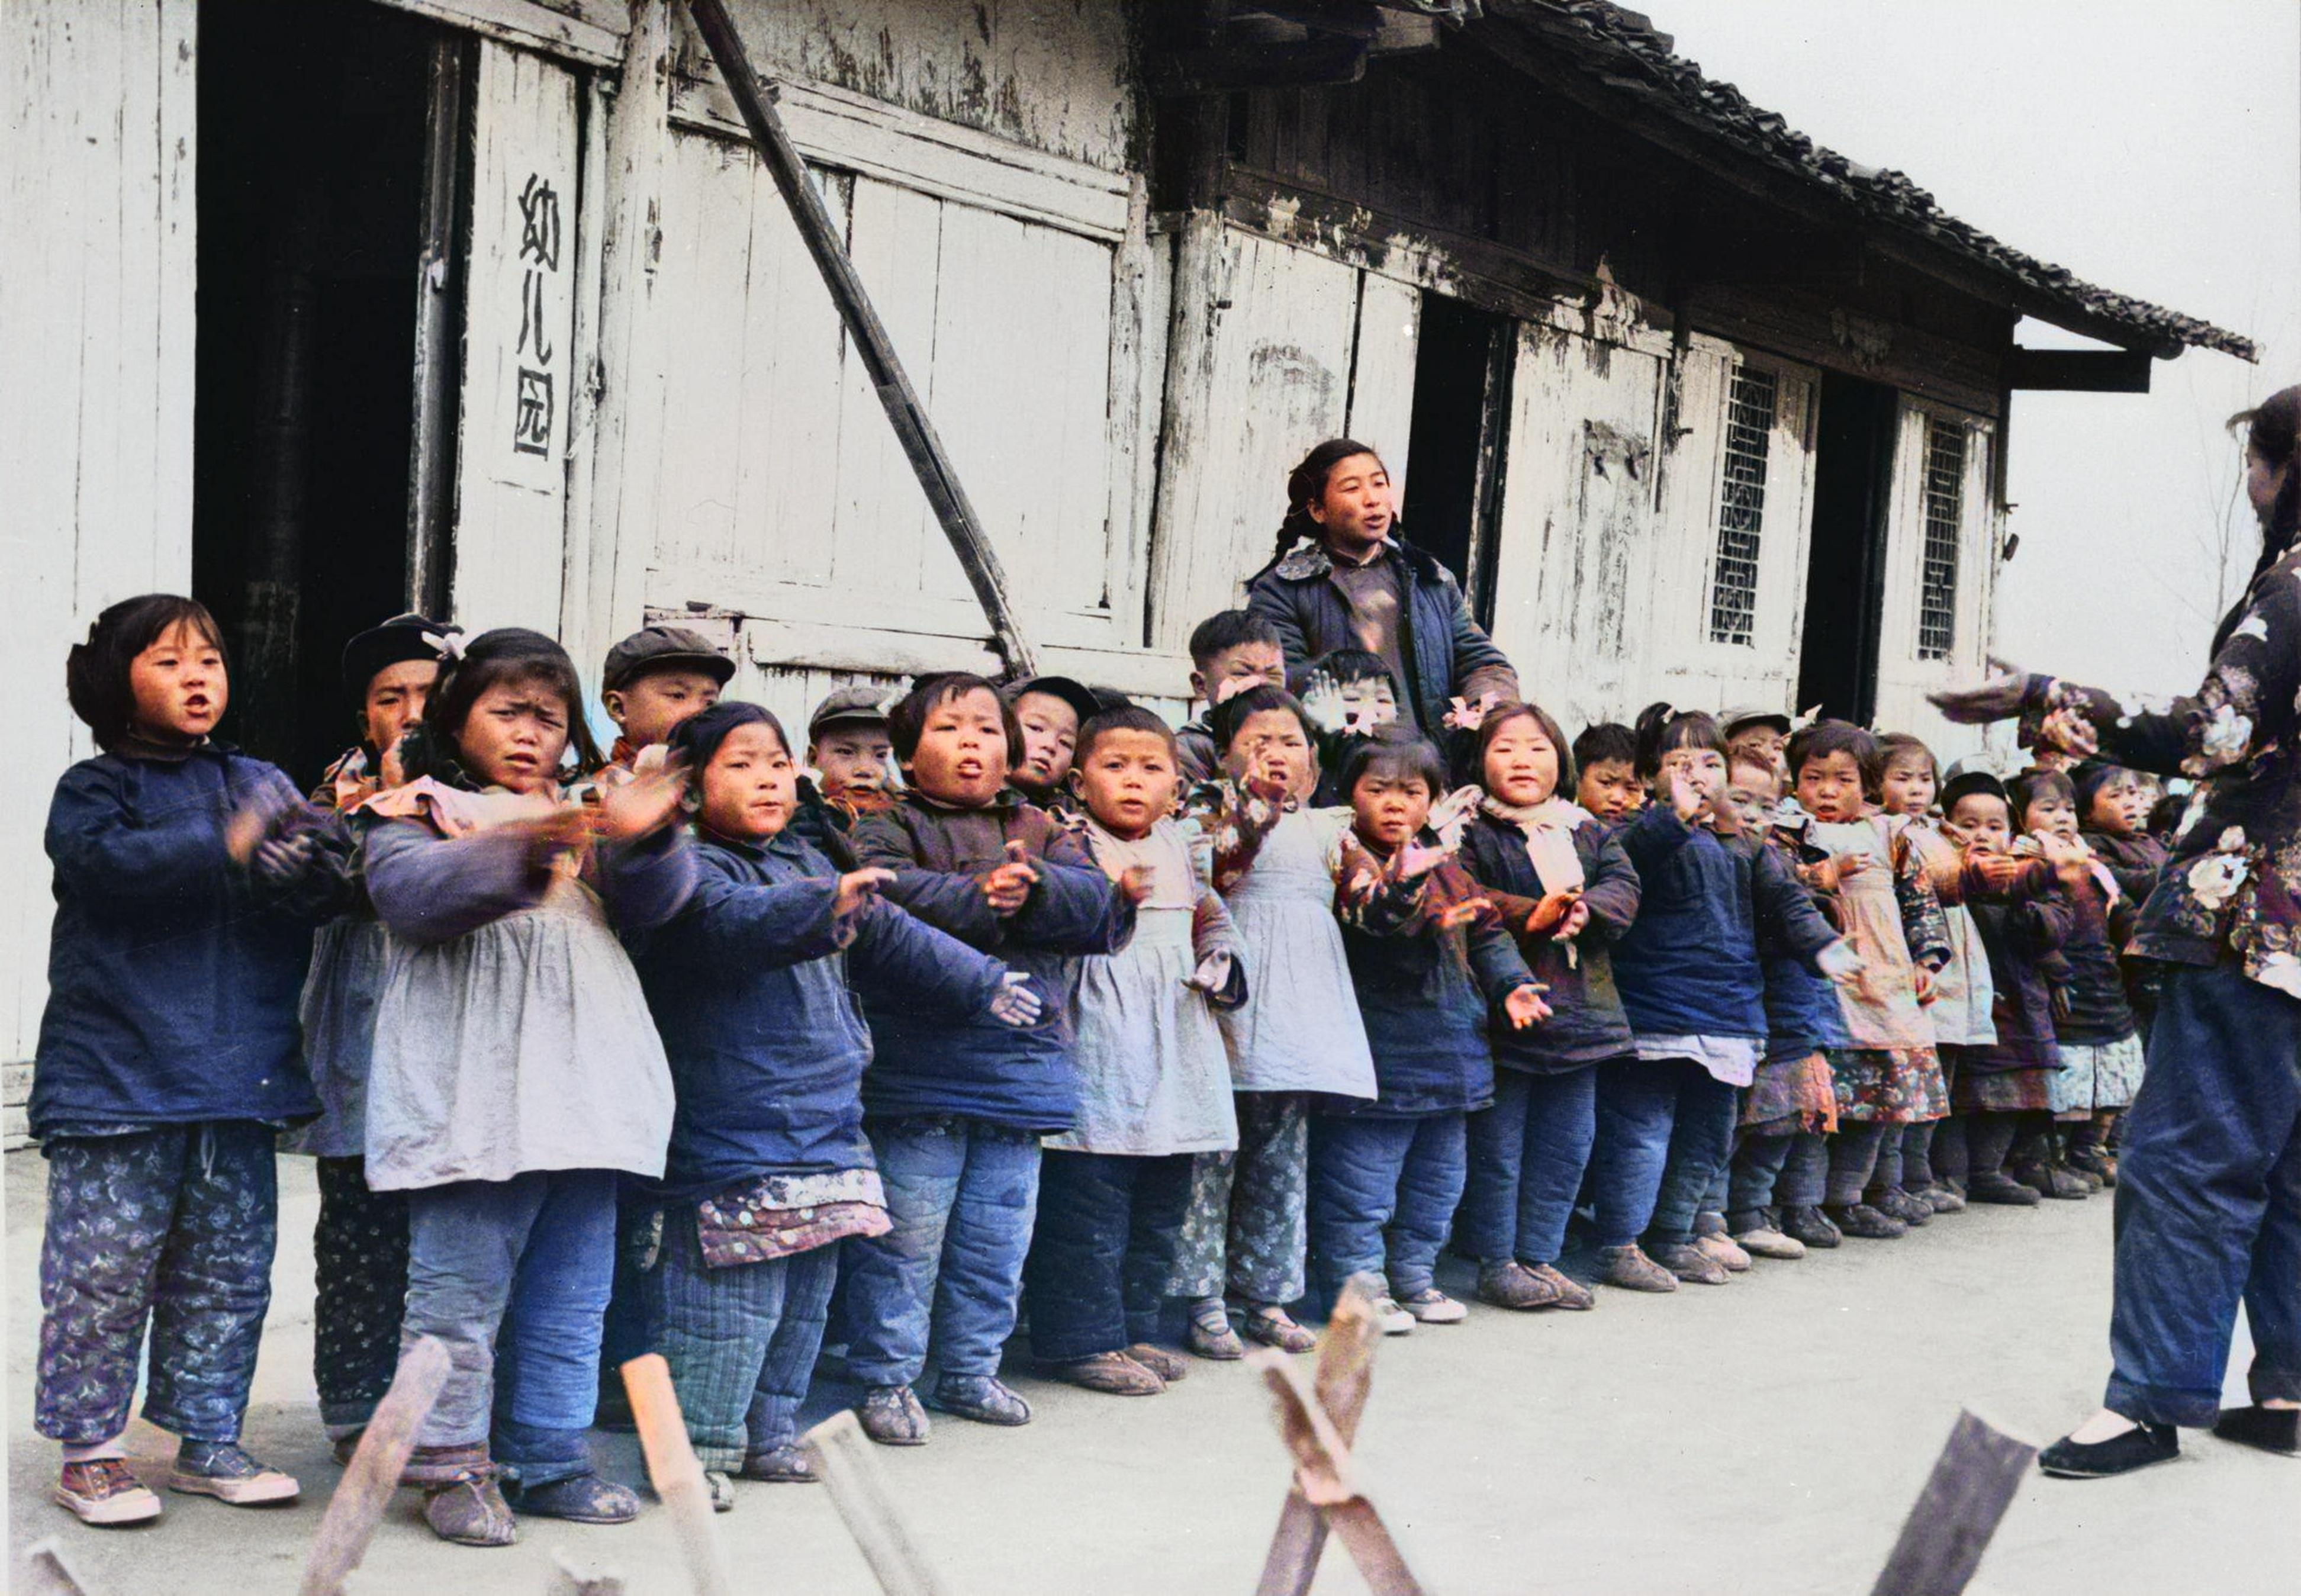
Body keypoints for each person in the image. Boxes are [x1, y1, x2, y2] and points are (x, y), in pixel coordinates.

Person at [1929, 383, 2301, 1477]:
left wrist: (2043, 691)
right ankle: (2286, 1386)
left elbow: (2212, 730)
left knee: (2187, 1156)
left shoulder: (2292, 583)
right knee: (2289, 1161)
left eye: (2257, 465)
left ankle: (2148, 1401)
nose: (2250, 489)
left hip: (2256, 914)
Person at [629, 702, 1038, 1508]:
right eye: (741, 763)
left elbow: (897, 937)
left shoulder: (811, 861)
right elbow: (729, 925)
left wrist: (983, 981)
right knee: (725, 1307)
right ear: (686, 787)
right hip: (733, 1130)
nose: (767, 778)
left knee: (805, 1298)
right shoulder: (691, 870)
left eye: (777, 762)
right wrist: (824, 907)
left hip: (827, 1122)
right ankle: (701, 1450)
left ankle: (771, 1434)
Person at [359, 628, 695, 1545]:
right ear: (453, 720)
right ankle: (449, 1463)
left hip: (584, 1099)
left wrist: (653, 834)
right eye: (507, 711)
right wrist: (530, 844)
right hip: (475, 1099)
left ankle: (549, 1457)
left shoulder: (595, 817)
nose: (531, 732)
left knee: (572, 1294)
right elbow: (415, 900)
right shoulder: (413, 812)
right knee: (457, 1298)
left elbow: (657, 907)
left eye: (550, 717)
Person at [34, 595, 349, 1526]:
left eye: (208, 658)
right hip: (116, 1078)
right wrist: (230, 842)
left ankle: (207, 1436)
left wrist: (321, 845)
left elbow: (324, 886)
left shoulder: (255, 777)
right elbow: (107, 871)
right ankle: (91, 1449)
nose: (198, 676)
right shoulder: (96, 792)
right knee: (102, 1270)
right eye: (168, 662)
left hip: (237, 1073)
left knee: (229, 1269)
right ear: (112, 684)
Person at [841, 674, 1137, 1445]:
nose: (971, 743)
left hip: (1020, 1071)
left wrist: (1033, 889)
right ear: (906, 756)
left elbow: (1100, 912)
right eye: (947, 729)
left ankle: (970, 1370)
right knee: (907, 1241)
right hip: (917, 1079)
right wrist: (984, 902)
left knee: (994, 1241)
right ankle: (887, 1378)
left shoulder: (1039, 827)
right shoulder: (881, 827)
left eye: (985, 728)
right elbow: (881, 906)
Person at [1025, 708, 1245, 1396]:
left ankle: (1133, 1324)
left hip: (1174, 1036)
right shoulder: (1071, 842)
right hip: (1103, 1033)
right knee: (1092, 1200)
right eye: (1114, 766)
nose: (1133, 781)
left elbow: (1209, 914)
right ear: (1078, 778)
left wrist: (1218, 957)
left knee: (1162, 1194)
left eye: (1151, 768)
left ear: (1175, 787)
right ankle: (1077, 1340)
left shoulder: (1181, 845)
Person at [1600, 704, 1855, 1290]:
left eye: (1710, 763)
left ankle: (1670, 1235)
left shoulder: (1746, 844)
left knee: (1707, 1133)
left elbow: (1787, 901)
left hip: (1727, 1014)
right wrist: (1673, 818)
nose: (1697, 776)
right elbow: (1633, 862)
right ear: (1651, 776)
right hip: (1654, 1012)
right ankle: (1619, 1241)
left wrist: (1823, 945)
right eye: (1678, 763)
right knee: (1641, 1133)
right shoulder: (1631, 833)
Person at [1172, 685, 1383, 1359]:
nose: (1275, 754)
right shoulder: (1205, 814)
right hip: (1230, 990)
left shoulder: (1329, 827)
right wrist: (1255, 810)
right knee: (1211, 1152)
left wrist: (1403, 884)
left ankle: (1265, 1293)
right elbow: (1220, 872)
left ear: (1315, 766)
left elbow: (1366, 899)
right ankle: (1201, 1299)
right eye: (1256, 742)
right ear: (1223, 756)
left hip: (1298, 1006)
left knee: (1280, 1153)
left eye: (1290, 742)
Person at [1310, 730, 1547, 1331]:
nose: (1395, 804)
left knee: (1436, 1186)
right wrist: (1406, 881)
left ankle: (1414, 1279)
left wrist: (1509, 985)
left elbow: (1488, 931)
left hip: (1453, 1057)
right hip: (1380, 1062)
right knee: (1360, 1190)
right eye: (1377, 789)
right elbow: (1380, 922)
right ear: (1348, 794)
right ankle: (1357, 1290)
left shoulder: (1446, 864)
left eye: (1411, 791)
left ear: (1432, 799)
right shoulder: (1347, 860)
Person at [295, 612, 457, 1461]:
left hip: (454, 1041)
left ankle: (445, 1403)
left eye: (427, 694)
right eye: (389, 698)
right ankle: (356, 1405)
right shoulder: (335, 793)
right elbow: (324, 879)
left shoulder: (482, 787)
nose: (408, 710)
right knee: (359, 1225)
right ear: (366, 718)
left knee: (451, 1229)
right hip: (366, 1030)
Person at [1455, 702, 1640, 1311]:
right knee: (1500, 1149)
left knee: (1565, 1146)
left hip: (1582, 1013)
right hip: (1508, 1014)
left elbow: (1622, 882)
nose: (1521, 759)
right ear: (1480, 759)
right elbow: (1464, 895)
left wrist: (1588, 910)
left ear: (1558, 759)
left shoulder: (1584, 828)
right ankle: (1495, 1260)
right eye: (1504, 747)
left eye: (1535, 747)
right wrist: (1524, 913)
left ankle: (1539, 1254)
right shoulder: (1468, 828)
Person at [1787, 720, 1952, 1240]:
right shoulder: (1785, 832)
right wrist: (1819, 875)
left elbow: (1920, 902)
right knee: (1822, 1103)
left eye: (1844, 779)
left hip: (1885, 985)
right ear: (1795, 781)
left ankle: (1851, 1197)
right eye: (1815, 778)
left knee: (1881, 1098)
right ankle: (1802, 1203)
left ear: (1869, 785)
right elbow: (1775, 890)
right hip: (1824, 982)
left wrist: (1927, 961)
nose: (1828, 792)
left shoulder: (1891, 835)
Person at [1246, 438, 1517, 739]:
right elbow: (1281, 682)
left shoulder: (1428, 579)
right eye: (1352, 488)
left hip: (1430, 765)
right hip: (1345, 765)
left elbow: (1483, 663)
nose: (1372, 499)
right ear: (1318, 510)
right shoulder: (1283, 589)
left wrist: (1485, 713)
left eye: (1379, 484)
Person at [1722, 752, 1846, 1259]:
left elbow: (1799, 919)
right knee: (1727, 1132)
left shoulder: (1776, 861)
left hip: (1790, 1014)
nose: (1753, 815)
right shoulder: (1717, 855)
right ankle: (1719, 1217)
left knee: (1779, 1124)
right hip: (1743, 1015)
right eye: (1740, 801)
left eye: (1766, 805)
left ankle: (1753, 1212)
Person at [2009, 767, 2144, 1196]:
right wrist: (2051, 966)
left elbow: (2117, 908)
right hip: (2062, 981)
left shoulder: (2089, 862)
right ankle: (2041, 1159)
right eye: (2048, 809)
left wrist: (2141, 936)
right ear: (2020, 816)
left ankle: (2088, 1149)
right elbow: (2024, 919)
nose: (2062, 817)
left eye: (2067, 808)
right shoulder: (2026, 862)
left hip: (2101, 976)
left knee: (2108, 1068)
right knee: (2065, 1074)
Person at [1872, 732, 1978, 1215]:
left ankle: (1917, 1175)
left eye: (1924, 779)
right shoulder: (1884, 832)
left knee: (1933, 1081)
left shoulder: (1937, 831)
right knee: (1904, 1079)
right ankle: (1893, 1182)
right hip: (1903, 966)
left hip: (1945, 964)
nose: (1917, 789)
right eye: (1902, 778)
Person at [790, 684, 899, 867]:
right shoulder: (800, 821)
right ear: (813, 758)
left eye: (881, 755)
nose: (865, 770)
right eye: (846, 752)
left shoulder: (908, 819)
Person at [599, 625, 733, 769]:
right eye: (678, 696)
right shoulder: (595, 789)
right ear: (618, 708)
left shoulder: (729, 785)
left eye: (709, 703)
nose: (698, 712)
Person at [1177, 610, 1288, 784]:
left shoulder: (1298, 742)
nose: (1260, 685)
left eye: (1274, 676)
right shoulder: (1187, 751)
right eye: (1243, 674)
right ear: (1201, 684)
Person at [1003, 674, 1100, 812]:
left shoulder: (1076, 823)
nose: (1050, 746)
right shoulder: (966, 804)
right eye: (1036, 728)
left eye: (1065, 743)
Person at [1571, 722, 1642, 825]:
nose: (1618, 799)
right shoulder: (1558, 829)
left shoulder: (1646, 834)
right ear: (1577, 779)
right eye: (1606, 783)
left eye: (1632, 788)